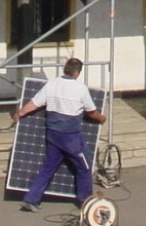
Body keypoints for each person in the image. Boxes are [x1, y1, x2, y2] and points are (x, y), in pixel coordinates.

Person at [12, 58, 106, 212]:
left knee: (48, 167)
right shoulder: (80, 89)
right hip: (71, 137)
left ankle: (31, 199)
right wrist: (102, 118)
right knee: (84, 167)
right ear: (77, 72)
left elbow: (35, 103)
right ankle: (86, 201)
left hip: (53, 134)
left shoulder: (51, 84)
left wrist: (19, 113)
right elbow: (90, 112)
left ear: (65, 69)